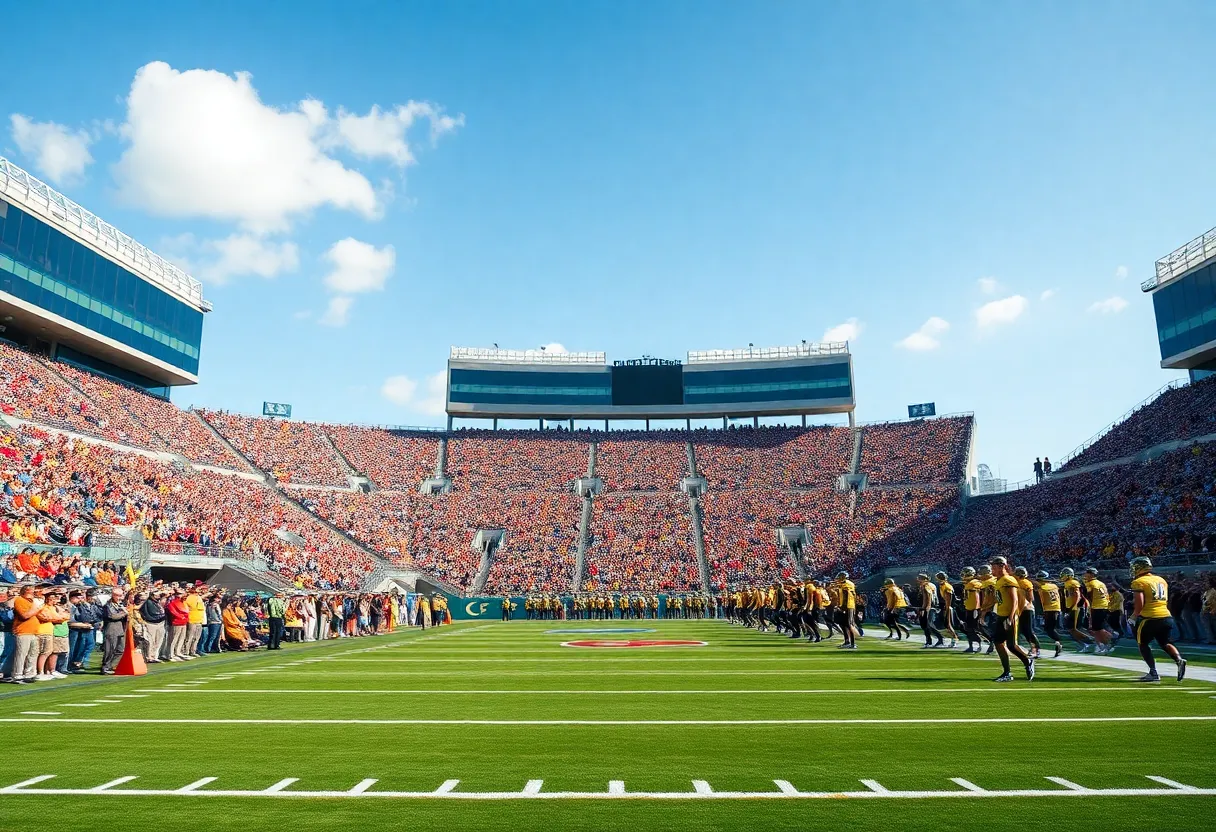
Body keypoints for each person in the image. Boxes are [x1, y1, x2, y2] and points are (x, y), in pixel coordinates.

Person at [1129, 557, 1186, 683]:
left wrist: (1134, 615)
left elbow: (1140, 602)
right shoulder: (1161, 579)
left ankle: (1153, 672)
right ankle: (1179, 660)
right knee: (1165, 642)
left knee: (1143, 644)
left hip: (1149, 617)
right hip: (1166, 616)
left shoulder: (1139, 581)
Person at [989, 557, 1034, 682]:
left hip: (1009, 616)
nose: (992, 569)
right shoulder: (998, 580)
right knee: (998, 642)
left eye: (994, 566)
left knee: (1012, 645)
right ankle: (1007, 672)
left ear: (1001, 566)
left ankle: (1028, 661)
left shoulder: (1008, 580)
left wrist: (1010, 617)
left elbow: (1014, 600)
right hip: (1001, 615)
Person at [1060, 568, 1094, 652]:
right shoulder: (1068, 583)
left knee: (1075, 628)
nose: (1062, 576)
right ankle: (1085, 644)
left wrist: (1073, 607)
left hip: (1077, 607)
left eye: (1064, 574)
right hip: (1074, 607)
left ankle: (1092, 641)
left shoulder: (1072, 583)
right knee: (1071, 629)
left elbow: (1077, 595)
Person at [1033, 571, 1064, 658]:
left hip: (1048, 609)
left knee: (1049, 629)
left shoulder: (1041, 588)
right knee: (1049, 628)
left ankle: (1058, 642)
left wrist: (1041, 611)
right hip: (1056, 608)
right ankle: (1058, 642)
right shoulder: (1054, 586)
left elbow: (1040, 601)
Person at [1082, 567, 1112, 654]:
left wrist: (1089, 608)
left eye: (1087, 573)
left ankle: (1110, 640)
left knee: (1097, 628)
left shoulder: (1090, 583)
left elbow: (1088, 596)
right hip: (1104, 606)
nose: (1085, 575)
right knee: (1096, 628)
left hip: (1097, 607)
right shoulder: (1101, 583)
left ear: (1091, 574)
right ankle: (1100, 646)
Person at [100, 588, 129, 675]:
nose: (120, 598)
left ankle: (110, 665)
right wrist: (124, 613)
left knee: (121, 649)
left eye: (121, 596)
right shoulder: (108, 605)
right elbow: (112, 616)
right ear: (113, 595)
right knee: (110, 649)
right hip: (111, 629)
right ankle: (105, 667)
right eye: (118, 596)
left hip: (120, 629)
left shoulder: (120, 605)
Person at [1013, 566, 1041, 659]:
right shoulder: (1020, 582)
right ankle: (1032, 648)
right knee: (1024, 631)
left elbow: (1030, 598)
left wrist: (1024, 604)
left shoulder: (1025, 583)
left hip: (1026, 609)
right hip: (1022, 609)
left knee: (1028, 631)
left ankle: (1036, 649)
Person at [916, 573, 944, 648]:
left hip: (928, 607)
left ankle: (935, 640)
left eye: (919, 578)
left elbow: (928, 597)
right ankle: (932, 640)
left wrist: (924, 608)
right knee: (927, 624)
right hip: (932, 606)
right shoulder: (931, 584)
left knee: (927, 624)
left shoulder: (925, 586)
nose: (918, 580)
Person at [935, 571, 957, 648]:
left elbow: (948, 600)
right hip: (946, 606)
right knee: (945, 625)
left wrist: (946, 610)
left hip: (948, 607)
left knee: (948, 624)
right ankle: (952, 639)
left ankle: (954, 640)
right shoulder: (943, 585)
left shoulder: (947, 586)